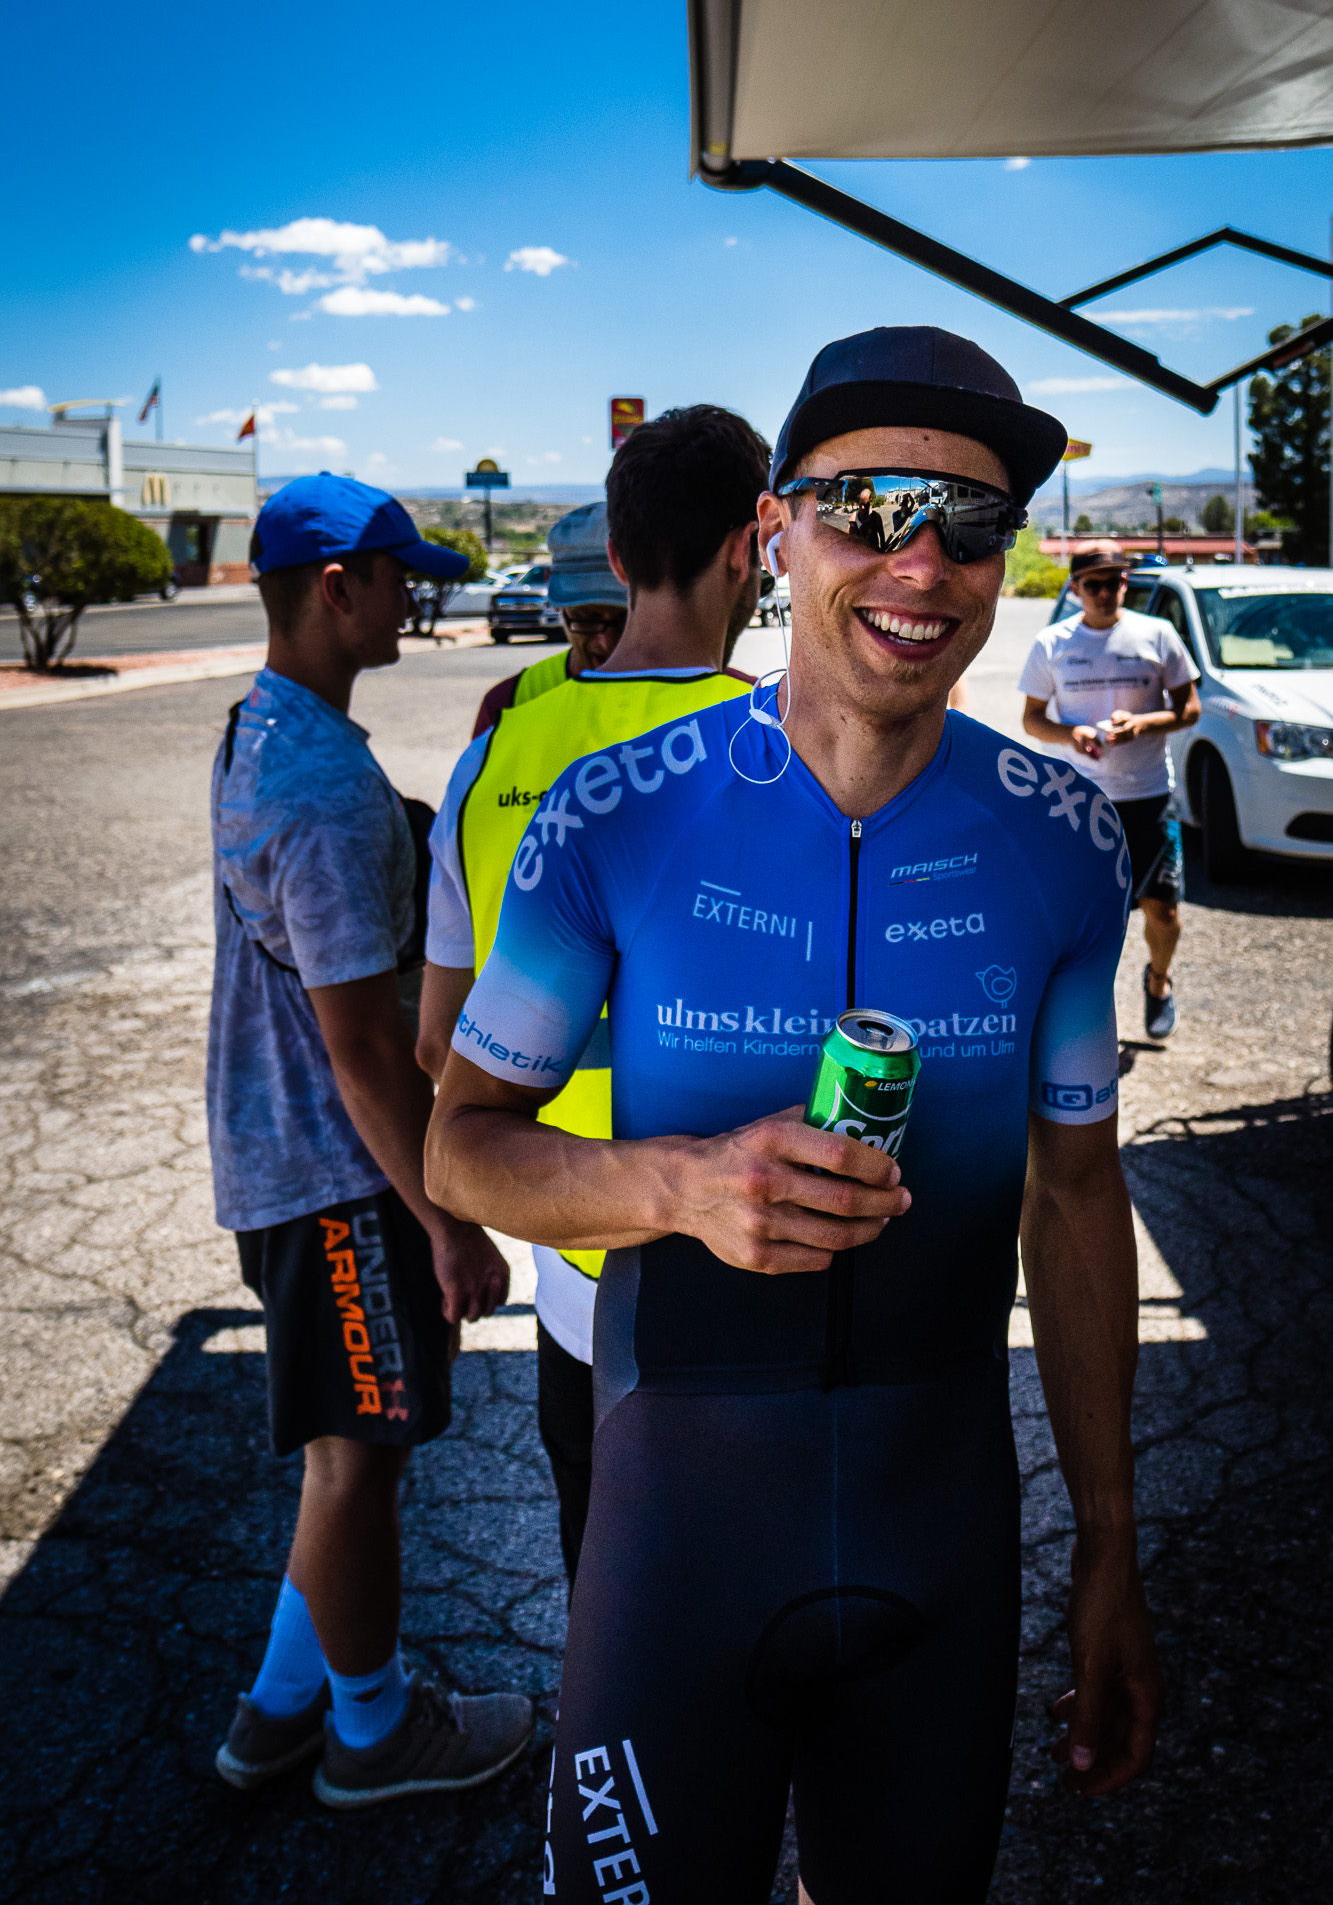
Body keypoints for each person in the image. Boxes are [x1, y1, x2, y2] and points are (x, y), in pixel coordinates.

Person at [425, 327, 1164, 1903]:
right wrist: (679, 1188)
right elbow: (461, 1141)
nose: (923, 561)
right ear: (775, 531)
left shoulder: (1063, 841)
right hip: (679, 1538)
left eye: (972, 523)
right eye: (871, 506)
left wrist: (1111, 1546)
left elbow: (1076, 1196)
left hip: (940, 1537)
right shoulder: (616, 814)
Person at [206, 474, 532, 1807]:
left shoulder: (262, 724)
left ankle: (281, 1708)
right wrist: (451, 1218)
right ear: (339, 588)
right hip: (341, 1173)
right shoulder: (325, 790)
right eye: (402, 579)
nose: (418, 601)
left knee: (345, 1452)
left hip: (287, 1156)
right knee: (359, 1460)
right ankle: (375, 1731)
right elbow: (360, 1047)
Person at [416, 410, 769, 1588]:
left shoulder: (494, 753)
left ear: (614, 557)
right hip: (750, 1255)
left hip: (571, 1256)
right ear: (751, 546)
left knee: (613, 1605)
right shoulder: (786, 744)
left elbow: (437, 1040)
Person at [1020, 545, 1200, 1039]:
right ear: (1075, 588)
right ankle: (1081, 1011)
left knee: (1163, 911)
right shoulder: (1052, 642)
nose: (1105, 592)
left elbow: (1189, 709)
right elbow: (1032, 719)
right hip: (1077, 801)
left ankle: (1158, 981)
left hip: (1149, 796)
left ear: (1126, 584)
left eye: (1115, 581)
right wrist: (1071, 734)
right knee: (1084, 915)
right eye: (1093, 584)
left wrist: (1142, 724)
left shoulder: (1157, 634)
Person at [471, 536, 627, 737]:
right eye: (586, 618)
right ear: (557, 602)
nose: (606, 642)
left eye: (626, 620)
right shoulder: (507, 703)